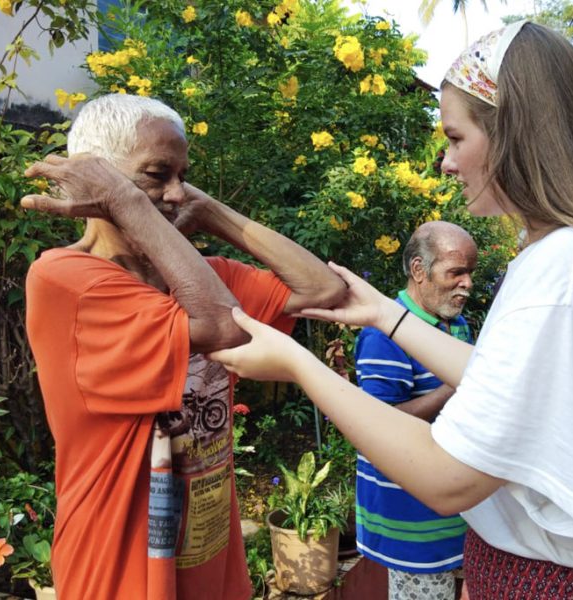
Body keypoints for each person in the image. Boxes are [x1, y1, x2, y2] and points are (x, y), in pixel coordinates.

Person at [208, 21, 573, 599]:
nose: (445, 162)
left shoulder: (561, 269)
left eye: (456, 138)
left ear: (515, 131)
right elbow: (506, 386)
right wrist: (387, 315)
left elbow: (447, 477)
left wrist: (296, 364)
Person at [21, 94, 345, 600]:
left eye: (183, 176)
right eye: (157, 174)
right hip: (118, 568)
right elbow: (221, 325)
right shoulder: (67, 281)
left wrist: (210, 211)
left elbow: (323, 291)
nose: (175, 193)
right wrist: (126, 201)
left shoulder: (204, 278)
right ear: (98, 180)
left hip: (209, 551)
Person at [354, 221, 476, 599]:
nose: (467, 283)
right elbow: (375, 425)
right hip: (411, 522)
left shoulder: (458, 326)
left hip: (456, 510)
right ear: (419, 272)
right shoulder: (382, 334)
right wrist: (453, 388)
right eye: (456, 272)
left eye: (470, 273)